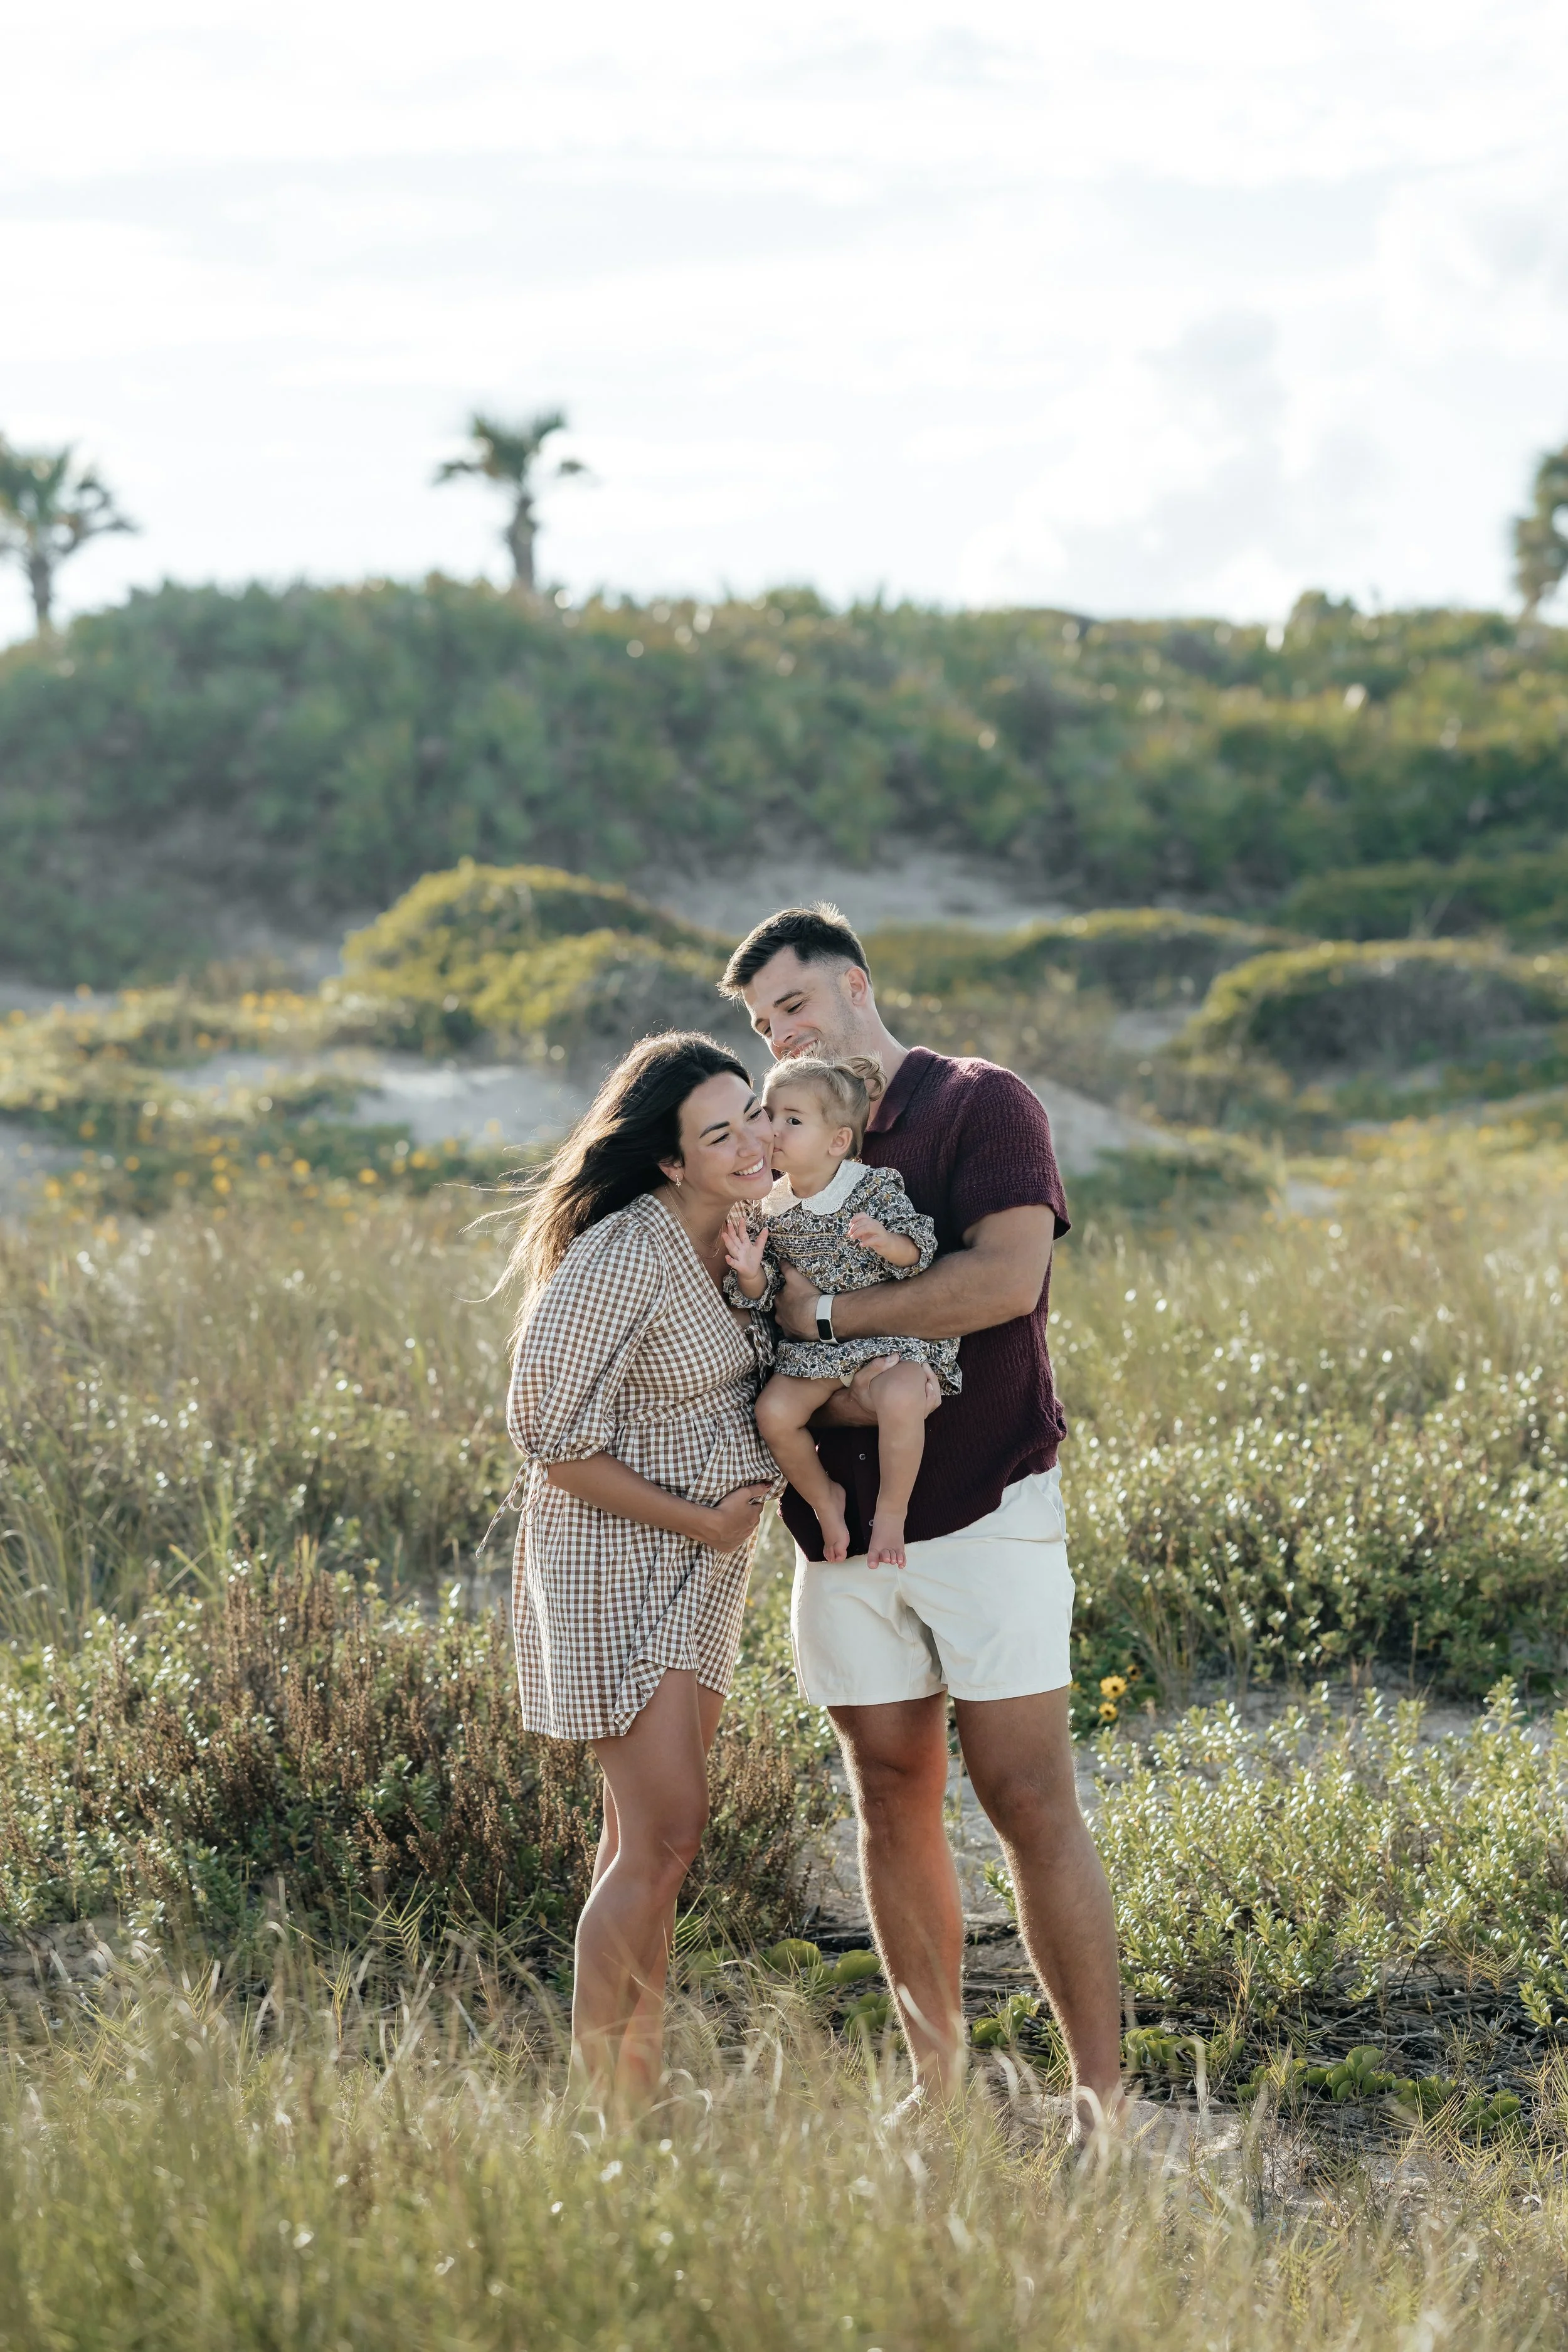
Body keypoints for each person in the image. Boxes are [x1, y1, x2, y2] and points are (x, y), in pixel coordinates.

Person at [720, 905, 1124, 2134]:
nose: (777, 1033)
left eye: (791, 1006)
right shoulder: (776, 1135)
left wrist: (832, 1324)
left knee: (1022, 1792)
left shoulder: (977, 1105)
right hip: (837, 1533)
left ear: (853, 984)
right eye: (757, 1023)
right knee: (886, 1789)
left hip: (987, 1505)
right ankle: (931, 2093)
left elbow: (1007, 1279)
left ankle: (1100, 2110)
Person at [501, 1031, 778, 2114]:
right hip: (617, 1558)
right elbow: (544, 1431)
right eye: (720, 1132)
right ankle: (604, 2111)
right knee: (662, 1832)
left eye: (752, 1111)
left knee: (645, 1840)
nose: (753, 1137)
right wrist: (700, 1521)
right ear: (670, 1161)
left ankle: (635, 2094)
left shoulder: (743, 1234)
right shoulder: (628, 1249)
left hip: (705, 1563)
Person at [723, 1051, 958, 1571]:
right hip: (818, 1353)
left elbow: (920, 1251)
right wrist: (749, 1272)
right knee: (774, 1414)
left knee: (902, 1396)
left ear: (837, 1141)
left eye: (794, 1120)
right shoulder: (771, 1207)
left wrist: (885, 1240)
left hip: (885, 1337)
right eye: (769, 1114)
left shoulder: (869, 1187)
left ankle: (891, 1513)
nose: (774, 1130)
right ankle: (824, 1497)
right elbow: (773, 1296)